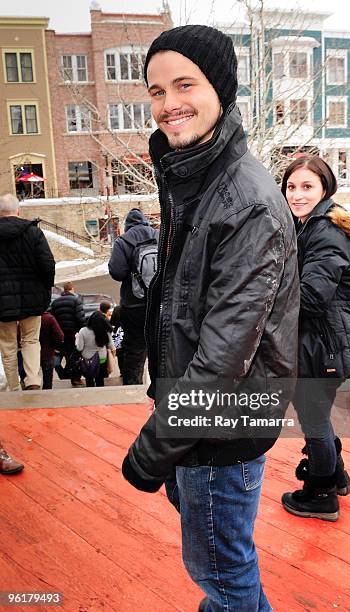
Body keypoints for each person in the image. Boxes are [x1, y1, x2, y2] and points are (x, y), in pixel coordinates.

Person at [121, 25, 299, 611]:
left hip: (218, 428)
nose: (168, 103)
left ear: (220, 88)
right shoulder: (194, 178)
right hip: (197, 425)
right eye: (155, 90)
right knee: (220, 564)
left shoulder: (243, 202)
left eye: (184, 84)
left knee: (222, 573)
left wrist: (151, 451)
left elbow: (223, 359)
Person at [280, 155, 350, 521]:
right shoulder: (310, 226)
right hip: (324, 340)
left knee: (313, 419)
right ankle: (336, 476)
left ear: (325, 188)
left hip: (324, 344)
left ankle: (321, 493)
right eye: (291, 187)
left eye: (307, 186)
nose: (297, 195)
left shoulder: (324, 232)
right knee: (317, 415)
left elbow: (310, 298)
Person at [0, 193, 55, 391]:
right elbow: (47, 265)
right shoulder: (33, 233)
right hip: (32, 297)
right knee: (31, 340)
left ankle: (14, 387)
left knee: (7, 345)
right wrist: (45, 287)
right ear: (18, 211)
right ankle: (32, 380)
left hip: (2, 302)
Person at [108, 209, 157, 385]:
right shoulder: (158, 235)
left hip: (133, 305)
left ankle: (133, 387)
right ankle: (162, 389)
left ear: (127, 225)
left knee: (135, 350)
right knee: (160, 347)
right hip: (158, 303)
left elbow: (117, 272)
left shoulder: (123, 241)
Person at [50, 281, 86, 387]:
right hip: (73, 334)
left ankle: (66, 376)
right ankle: (75, 378)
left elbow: (53, 320)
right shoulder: (76, 300)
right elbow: (80, 318)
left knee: (66, 356)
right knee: (75, 357)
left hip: (61, 335)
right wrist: (82, 330)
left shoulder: (55, 303)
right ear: (72, 289)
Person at [75, 311, 115, 387]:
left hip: (87, 360)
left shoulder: (83, 331)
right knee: (100, 379)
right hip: (102, 358)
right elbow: (111, 345)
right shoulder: (106, 330)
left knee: (89, 379)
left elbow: (79, 348)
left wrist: (77, 338)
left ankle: (90, 392)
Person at [39, 310, 64, 389]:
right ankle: (46, 397)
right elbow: (60, 336)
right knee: (47, 380)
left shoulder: (28, 319)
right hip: (48, 353)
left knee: (30, 380)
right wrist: (56, 346)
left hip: (31, 354)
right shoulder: (49, 318)